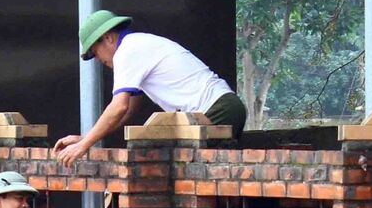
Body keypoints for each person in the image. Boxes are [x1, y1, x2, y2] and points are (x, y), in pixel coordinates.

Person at [56, 10, 247, 166]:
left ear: (108, 38)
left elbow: (118, 106)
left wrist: (84, 145)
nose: (97, 59)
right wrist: (86, 138)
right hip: (223, 106)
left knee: (193, 171)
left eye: (94, 52)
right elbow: (128, 110)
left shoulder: (126, 52)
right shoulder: (138, 45)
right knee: (208, 177)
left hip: (216, 109)